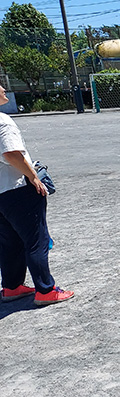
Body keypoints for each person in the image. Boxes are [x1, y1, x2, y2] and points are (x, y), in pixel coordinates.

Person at [0, 84, 74, 306]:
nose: (4, 89)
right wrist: (33, 177)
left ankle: (12, 287)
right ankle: (45, 289)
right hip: (17, 188)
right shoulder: (3, 120)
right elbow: (11, 154)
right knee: (36, 240)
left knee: (9, 242)